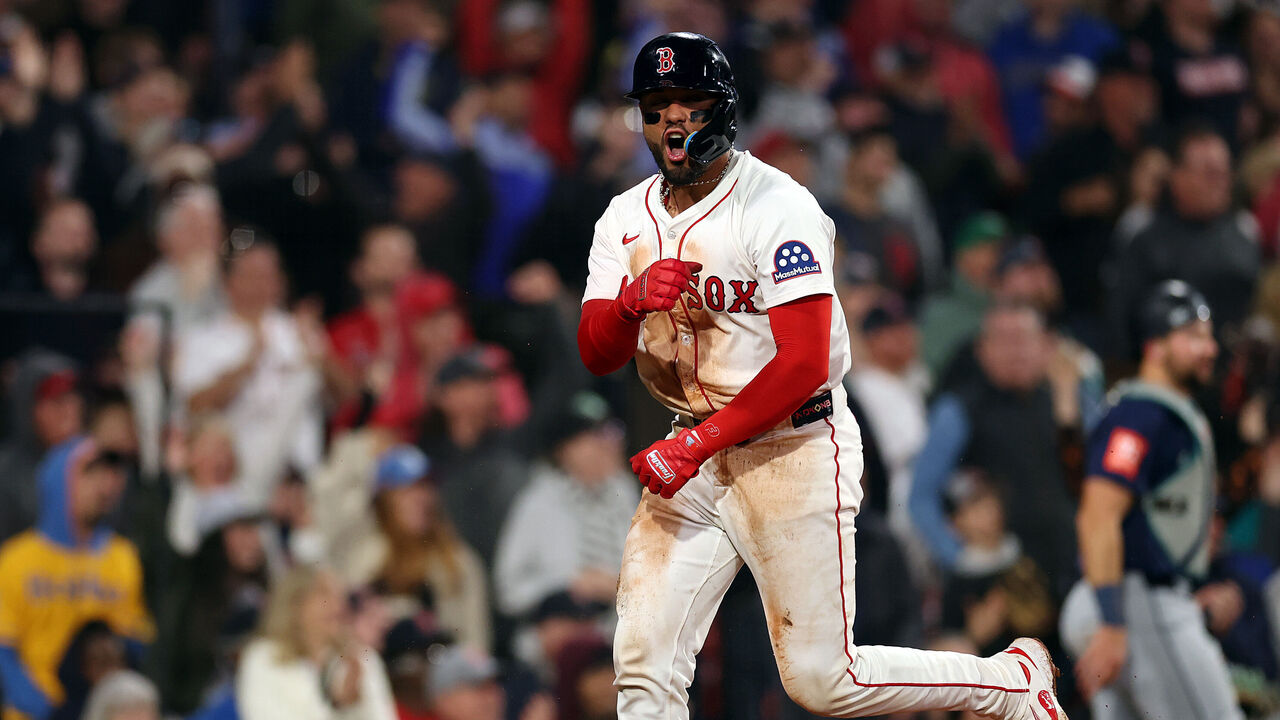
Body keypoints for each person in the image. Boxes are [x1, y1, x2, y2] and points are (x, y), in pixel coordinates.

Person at [577, 32, 1065, 720]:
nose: (673, 121)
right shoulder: (625, 217)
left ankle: (1008, 682)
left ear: (724, 110)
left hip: (792, 445)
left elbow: (804, 362)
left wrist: (697, 444)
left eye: (690, 102)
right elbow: (596, 352)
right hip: (693, 454)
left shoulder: (779, 206)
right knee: (643, 671)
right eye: (657, 107)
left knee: (822, 678)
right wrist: (630, 305)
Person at [1060, 280, 1243, 720]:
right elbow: (1097, 517)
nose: (1210, 349)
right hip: (1135, 604)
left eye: (1209, 336)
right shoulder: (1140, 414)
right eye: (1193, 336)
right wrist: (1112, 623)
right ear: (1155, 346)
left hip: (1136, 601)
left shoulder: (1163, 412)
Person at [0, 437, 153, 720]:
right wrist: (45, 708)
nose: (103, 485)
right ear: (59, 480)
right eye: (90, 473)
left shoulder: (122, 556)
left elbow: (135, 641)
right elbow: (3, 652)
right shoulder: (16, 560)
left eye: (109, 474)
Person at [174, 239, 323, 509]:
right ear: (228, 282)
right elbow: (193, 408)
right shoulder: (202, 338)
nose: (264, 284)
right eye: (254, 275)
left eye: (270, 275)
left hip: (302, 480)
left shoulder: (299, 331)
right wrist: (245, 367)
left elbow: (349, 397)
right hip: (240, 480)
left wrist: (324, 358)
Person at [235, 565, 397, 720]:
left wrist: (354, 705)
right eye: (324, 594)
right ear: (294, 603)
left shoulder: (362, 658)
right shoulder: (264, 658)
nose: (336, 604)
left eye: (340, 595)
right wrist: (338, 707)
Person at [0, 352, 84, 543]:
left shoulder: (94, 462)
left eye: (73, 399)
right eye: (57, 401)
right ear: (27, 410)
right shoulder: (5, 472)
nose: (69, 411)